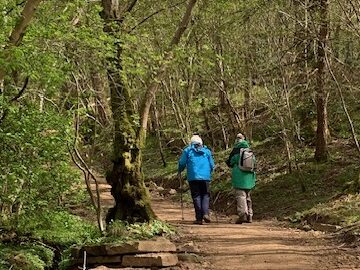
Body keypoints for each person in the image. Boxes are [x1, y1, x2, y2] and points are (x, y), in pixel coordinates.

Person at [178, 134, 215, 225]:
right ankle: (206, 214)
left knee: (196, 196)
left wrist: (179, 170)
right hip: (205, 177)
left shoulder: (187, 151)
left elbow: (182, 163)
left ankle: (199, 218)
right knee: (205, 195)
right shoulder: (207, 151)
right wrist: (208, 172)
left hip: (193, 177)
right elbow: (212, 165)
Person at [226, 133, 256, 224]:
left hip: (239, 176)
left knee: (240, 195)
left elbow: (230, 162)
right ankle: (250, 215)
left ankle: (243, 214)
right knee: (248, 196)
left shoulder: (236, 151)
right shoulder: (249, 151)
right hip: (249, 177)